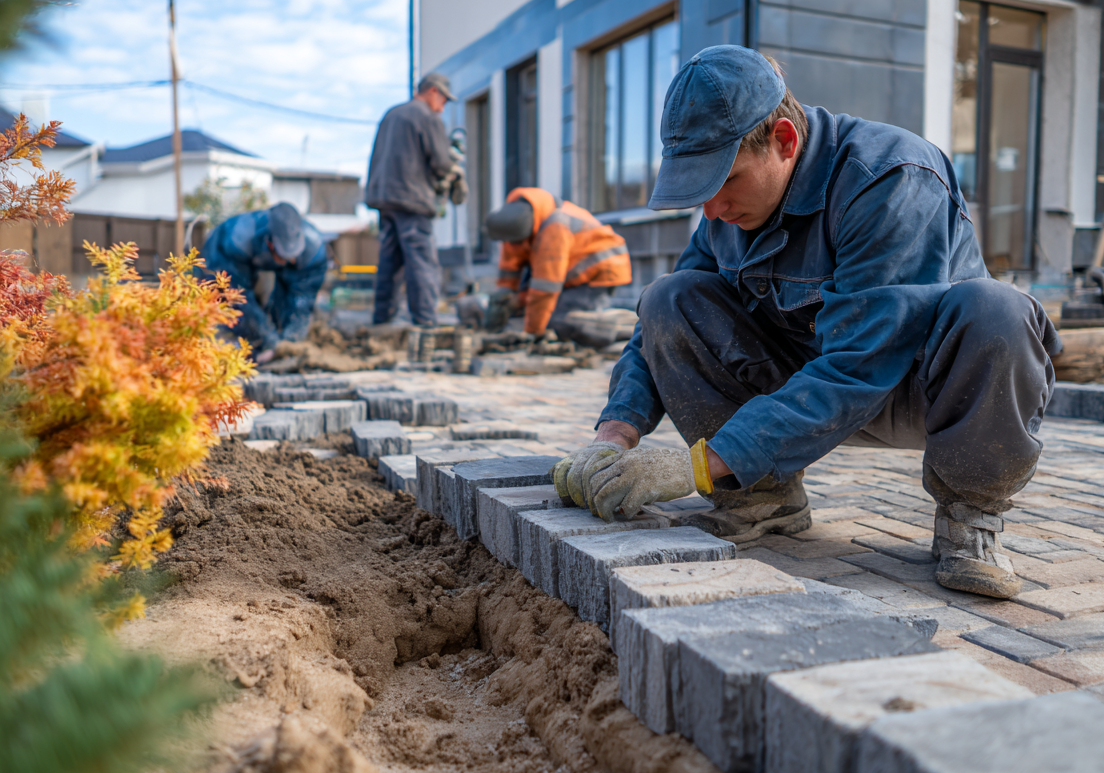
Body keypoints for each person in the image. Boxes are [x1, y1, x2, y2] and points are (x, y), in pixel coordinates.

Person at [551, 46, 1059, 600]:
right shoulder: (727, 215)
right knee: (669, 296)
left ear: (785, 141)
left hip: (922, 388)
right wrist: (614, 435)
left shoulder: (889, 176)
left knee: (997, 310)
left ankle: (971, 512)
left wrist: (700, 467)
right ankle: (762, 498)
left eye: (725, 181)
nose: (712, 211)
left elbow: (859, 364)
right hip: (805, 389)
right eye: (698, 192)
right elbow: (655, 330)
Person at [366, 71, 465, 327]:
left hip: (384, 199)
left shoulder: (392, 114)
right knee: (421, 261)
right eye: (443, 100)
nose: (442, 108)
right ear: (433, 91)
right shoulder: (426, 116)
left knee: (390, 261)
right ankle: (426, 323)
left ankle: (381, 321)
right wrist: (452, 170)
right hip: (412, 200)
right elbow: (442, 163)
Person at [484, 187, 632, 338]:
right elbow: (509, 269)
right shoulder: (514, 226)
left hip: (601, 270)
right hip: (570, 270)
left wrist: (532, 333)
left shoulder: (554, 229)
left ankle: (627, 329)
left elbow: (545, 289)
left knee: (561, 322)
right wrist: (503, 299)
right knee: (538, 314)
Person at [202, 201, 328, 364]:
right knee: (228, 307)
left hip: (275, 256)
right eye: (283, 256)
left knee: (287, 312)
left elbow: (301, 303)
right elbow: (239, 299)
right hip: (224, 256)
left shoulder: (314, 251)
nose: (290, 259)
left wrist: (288, 344)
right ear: (270, 244)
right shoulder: (238, 240)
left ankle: (276, 341)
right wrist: (269, 340)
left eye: (293, 256)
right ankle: (240, 349)